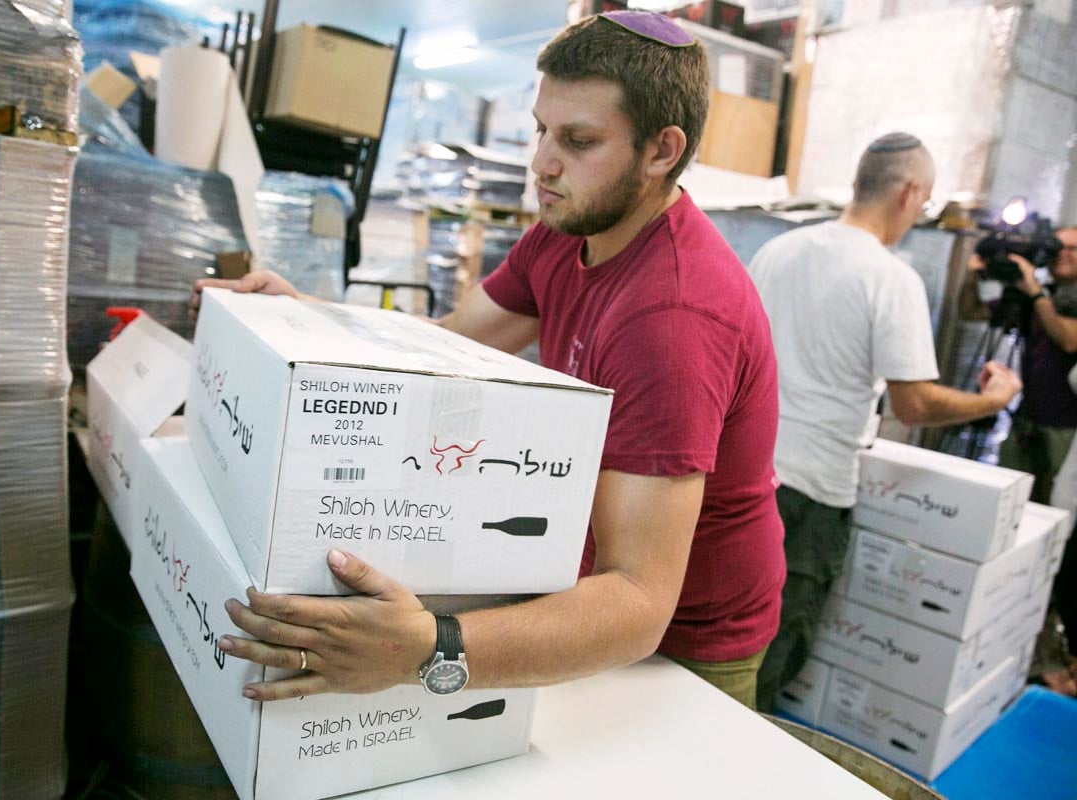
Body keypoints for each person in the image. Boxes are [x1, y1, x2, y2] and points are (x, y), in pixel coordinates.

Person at [189, 11, 785, 710]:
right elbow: (444, 345)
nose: (542, 163)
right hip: (583, 581)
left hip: (684, 638)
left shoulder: (676, 319)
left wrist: (427, 647)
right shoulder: (567, 230)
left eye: (578, 140)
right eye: (540, 129)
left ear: (662, 151)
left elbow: (639, 602)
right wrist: (309, 315)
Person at [748, 133, 1022, 712]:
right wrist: (993, 402)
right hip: (810, 495)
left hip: (746, 477)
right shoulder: (890, 277)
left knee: (723, 645)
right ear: (910, 192)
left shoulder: (780, 251)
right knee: (773, 659)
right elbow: (914, 404)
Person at [961, 224, 1077, 694]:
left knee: (1053, 536)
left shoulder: (1051, 298)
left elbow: (1068, 340)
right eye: (1061, 246)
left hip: (1063, 433)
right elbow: (975, 312)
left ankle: (1045, 650)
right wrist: (978, 276)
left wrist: (1033, 290)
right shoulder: (1040, 292)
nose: (1063, 254)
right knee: (1013, 525)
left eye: (1073, 249)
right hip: (1025, 422)